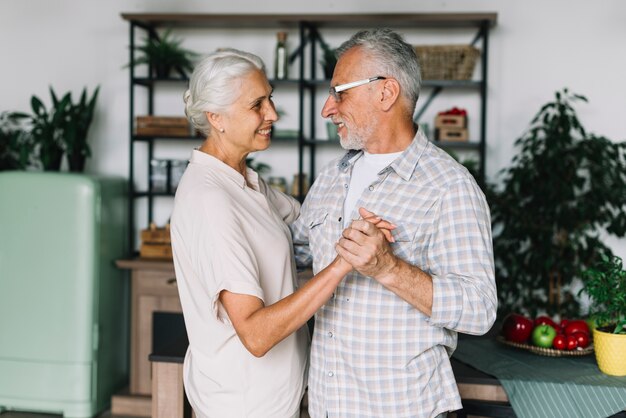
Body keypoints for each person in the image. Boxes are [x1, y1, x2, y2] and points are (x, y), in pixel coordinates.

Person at [169, 48, 393, 418]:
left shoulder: (244, 182)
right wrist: (343, 264)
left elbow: (310, 220)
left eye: (269, 97)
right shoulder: (211, 200)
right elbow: (256, 336)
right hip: (241, 407)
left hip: (273, 403)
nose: (272, 113)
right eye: (257, 104)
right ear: (216, 118)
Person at [291, 29, 498, 418]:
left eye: (340, 92)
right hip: (328, 406)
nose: (327, 109)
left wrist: (389, 268)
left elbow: (480, 309)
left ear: (386, 93)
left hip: (406, 408)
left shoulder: (448, 186)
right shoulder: (331, 178)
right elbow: (295, 251)